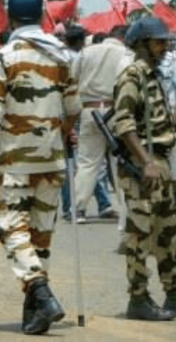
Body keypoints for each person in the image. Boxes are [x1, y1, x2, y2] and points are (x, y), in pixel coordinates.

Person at [0, 0, 79, 335]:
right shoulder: (63, 56)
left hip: (16, 159)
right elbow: (72, 110)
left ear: (10, 15)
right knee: (40, 236)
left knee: (10, 226)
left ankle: (41, 293)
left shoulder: (3, 57)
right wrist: (56, 139)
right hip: (52, 157)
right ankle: (34, 310)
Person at [111, 16, 176, 321]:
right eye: (158, 42)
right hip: (144, 168)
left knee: (167, 231)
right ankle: (138, 298)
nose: (165, 47)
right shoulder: (132, 76)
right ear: (141, 45)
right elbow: (124, 124)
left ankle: (175, 292)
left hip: (161, 162)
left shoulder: (151, 74)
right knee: (140, 234)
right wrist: (145, 163)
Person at [70, 25, 131, 225]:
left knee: (87, 162)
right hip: (116, 110)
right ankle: (127, 209)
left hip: (89, 110)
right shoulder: (126, 54)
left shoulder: (85, 52)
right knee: (120, 162)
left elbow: (72, 79)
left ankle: (78, 209)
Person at [157, 37, 176, 209]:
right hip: (151, 116)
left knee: (175, 158)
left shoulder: (175, 60)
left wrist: (175, 117)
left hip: (170, 115)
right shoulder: (144, 61)